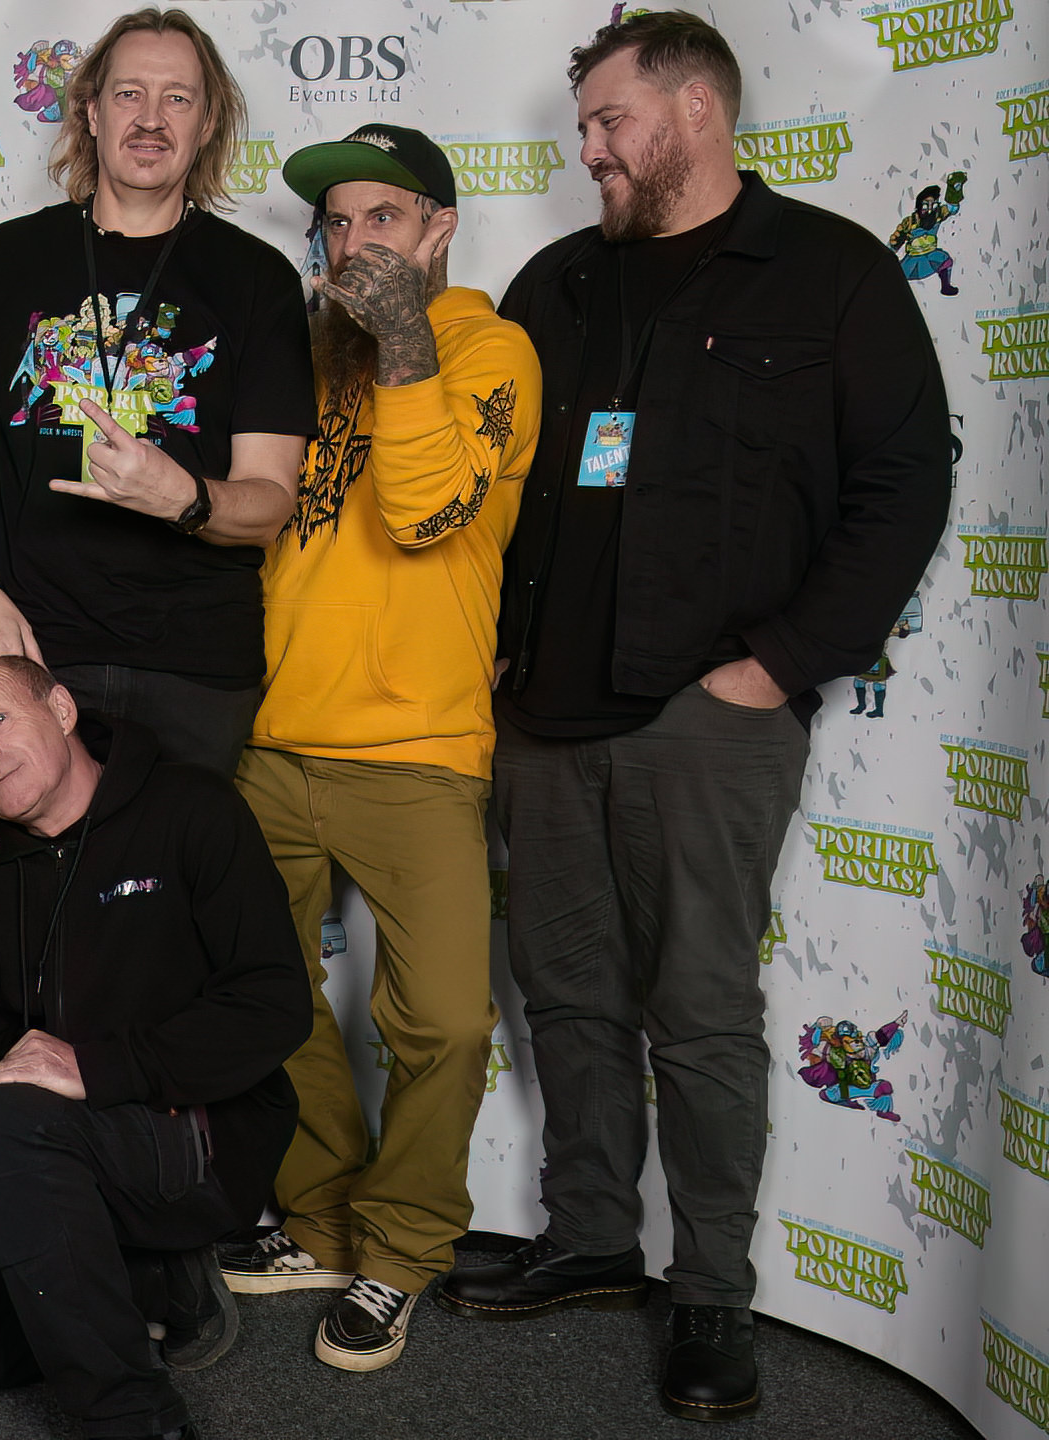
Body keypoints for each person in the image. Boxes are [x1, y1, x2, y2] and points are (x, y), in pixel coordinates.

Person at [433, 12, 953, 1424]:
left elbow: (903, 481)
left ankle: (712, 1290)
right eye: (582, 129)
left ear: (698, 111)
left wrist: (779, 665)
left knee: (703, 1011)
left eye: (610, 123)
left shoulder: (830, 274)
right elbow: (494, 479)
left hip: (705, 713)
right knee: (568, 997)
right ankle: (593, 1239)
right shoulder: (556, 283)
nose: (588, 150)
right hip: (542, 714)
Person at [219, 125, 541, 1372]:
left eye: (384, 219)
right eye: (338, 223)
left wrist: (403, 336)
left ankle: (401, 1251)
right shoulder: (306, 358)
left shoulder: (487, 348)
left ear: (439, 228)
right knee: (265, 997)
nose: (354, 243)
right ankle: (321, 1221)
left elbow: (424, 511)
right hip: (275, 735)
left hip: (419, 747)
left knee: (445, 1022)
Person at [0, 658, 310, 1440]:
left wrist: (95, 1066)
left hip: (195, 1142)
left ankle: (135, 1417)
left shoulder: (192, 808)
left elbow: (273, 1006)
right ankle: (145, 1283)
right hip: (48, 1158)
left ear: (61, 709)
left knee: (5, 1127)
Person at [0, 6, 313, 778]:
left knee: (179, 859)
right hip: (34, 650)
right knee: (30, 860)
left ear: (208, 122)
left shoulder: (259, 280)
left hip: (195, 668)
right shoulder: (6, 260)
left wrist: (183, 496)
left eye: (178, 98)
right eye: (129, 94)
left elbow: (271, 501)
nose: (151, 118)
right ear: (90, 111)